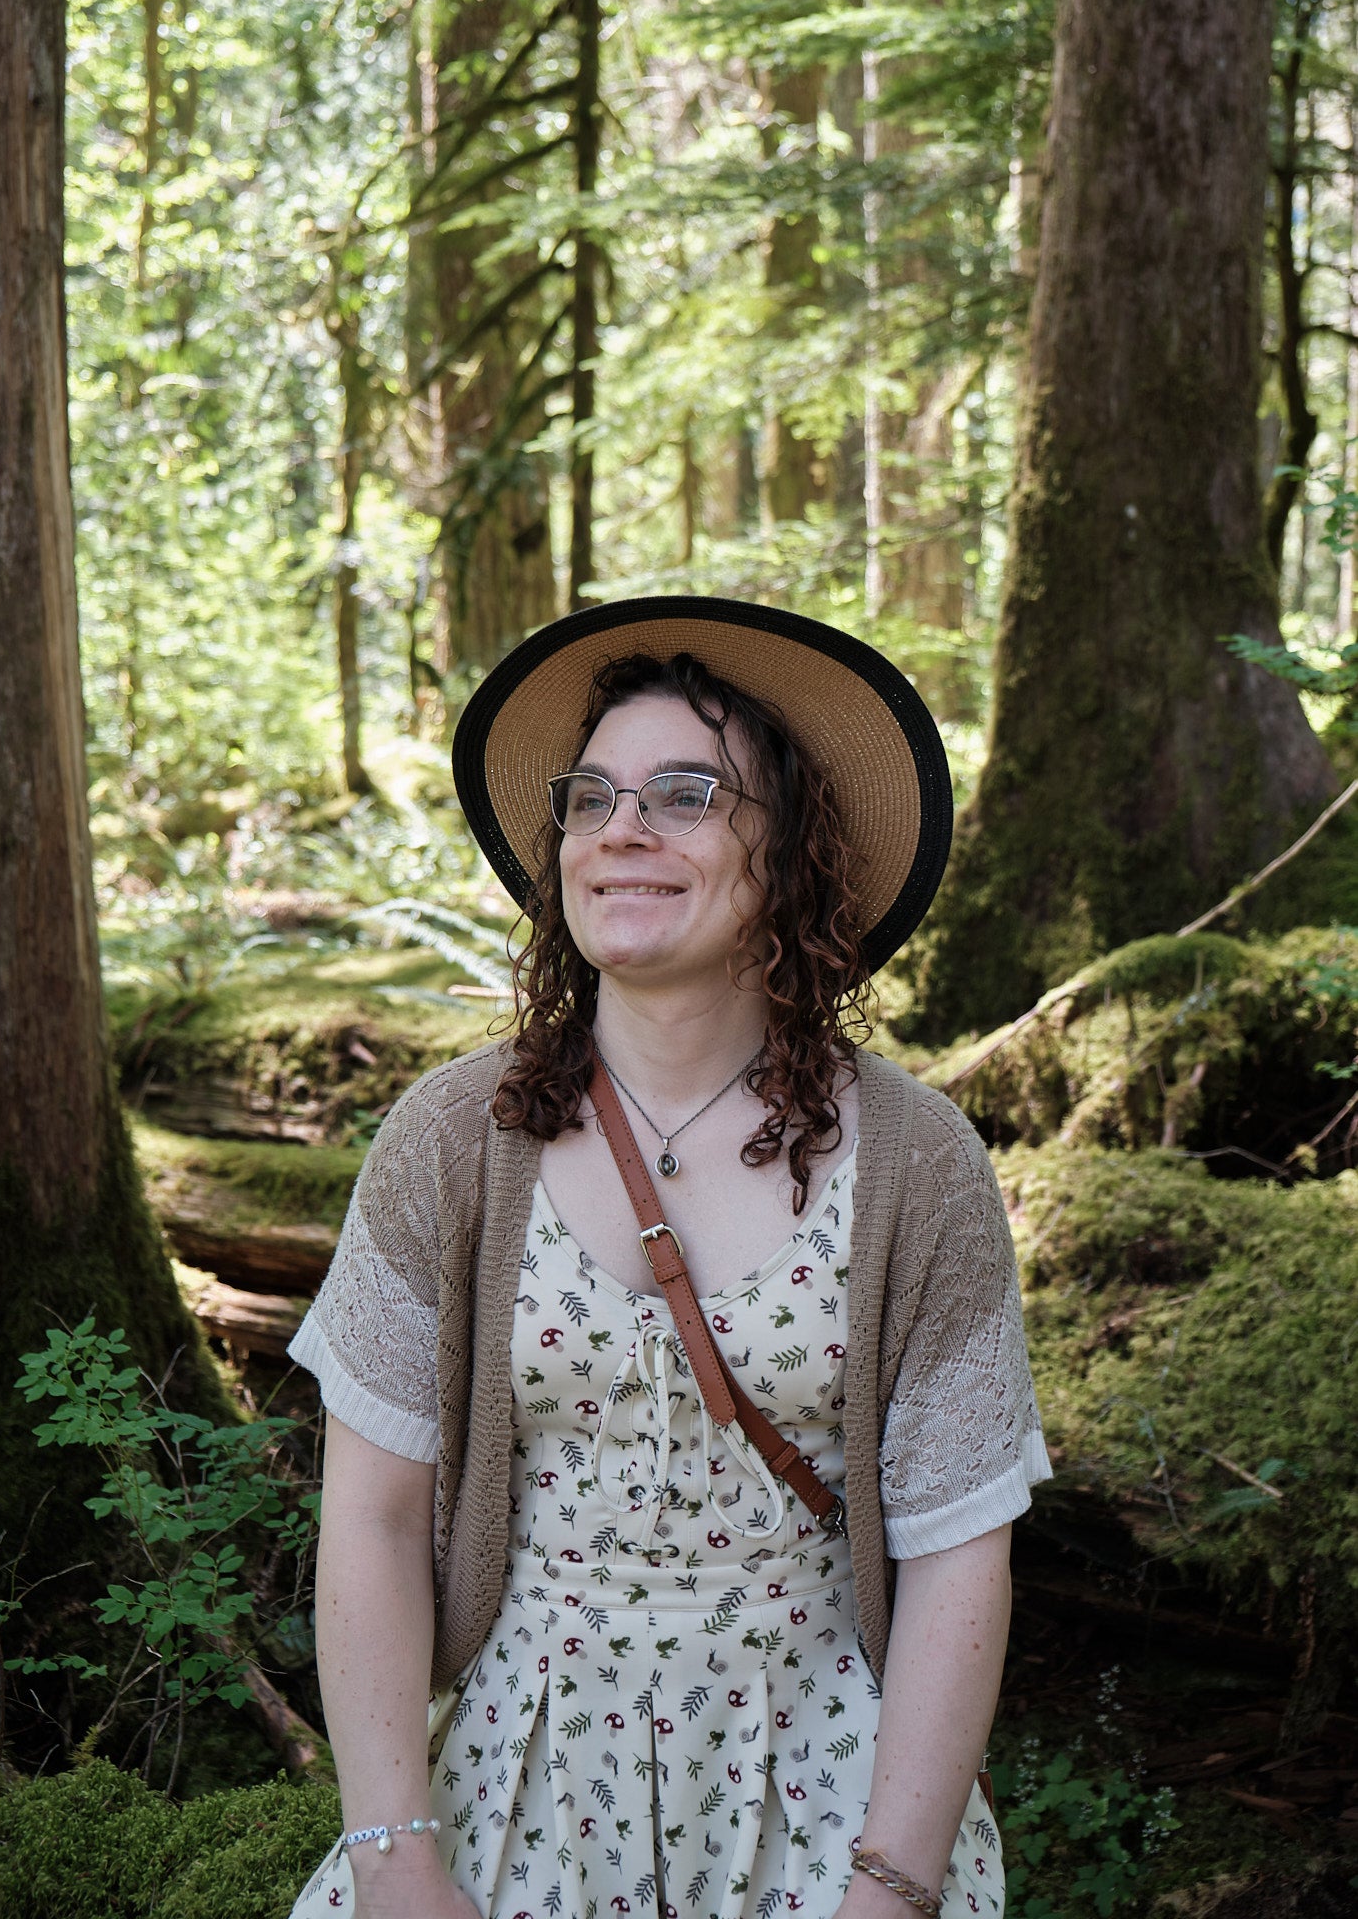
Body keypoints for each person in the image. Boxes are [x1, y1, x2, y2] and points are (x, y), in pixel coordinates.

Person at [287, 597, 1051, 1919]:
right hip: (511, 1775)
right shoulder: (448, 1144)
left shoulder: (920, 1167)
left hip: (826, 1780)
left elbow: (953, 1554)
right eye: (590, 799)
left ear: (791, 851)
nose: (622, 829)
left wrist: (893, 1882)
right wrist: (395, 1852)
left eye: (684, 795)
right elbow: (370, 1514)